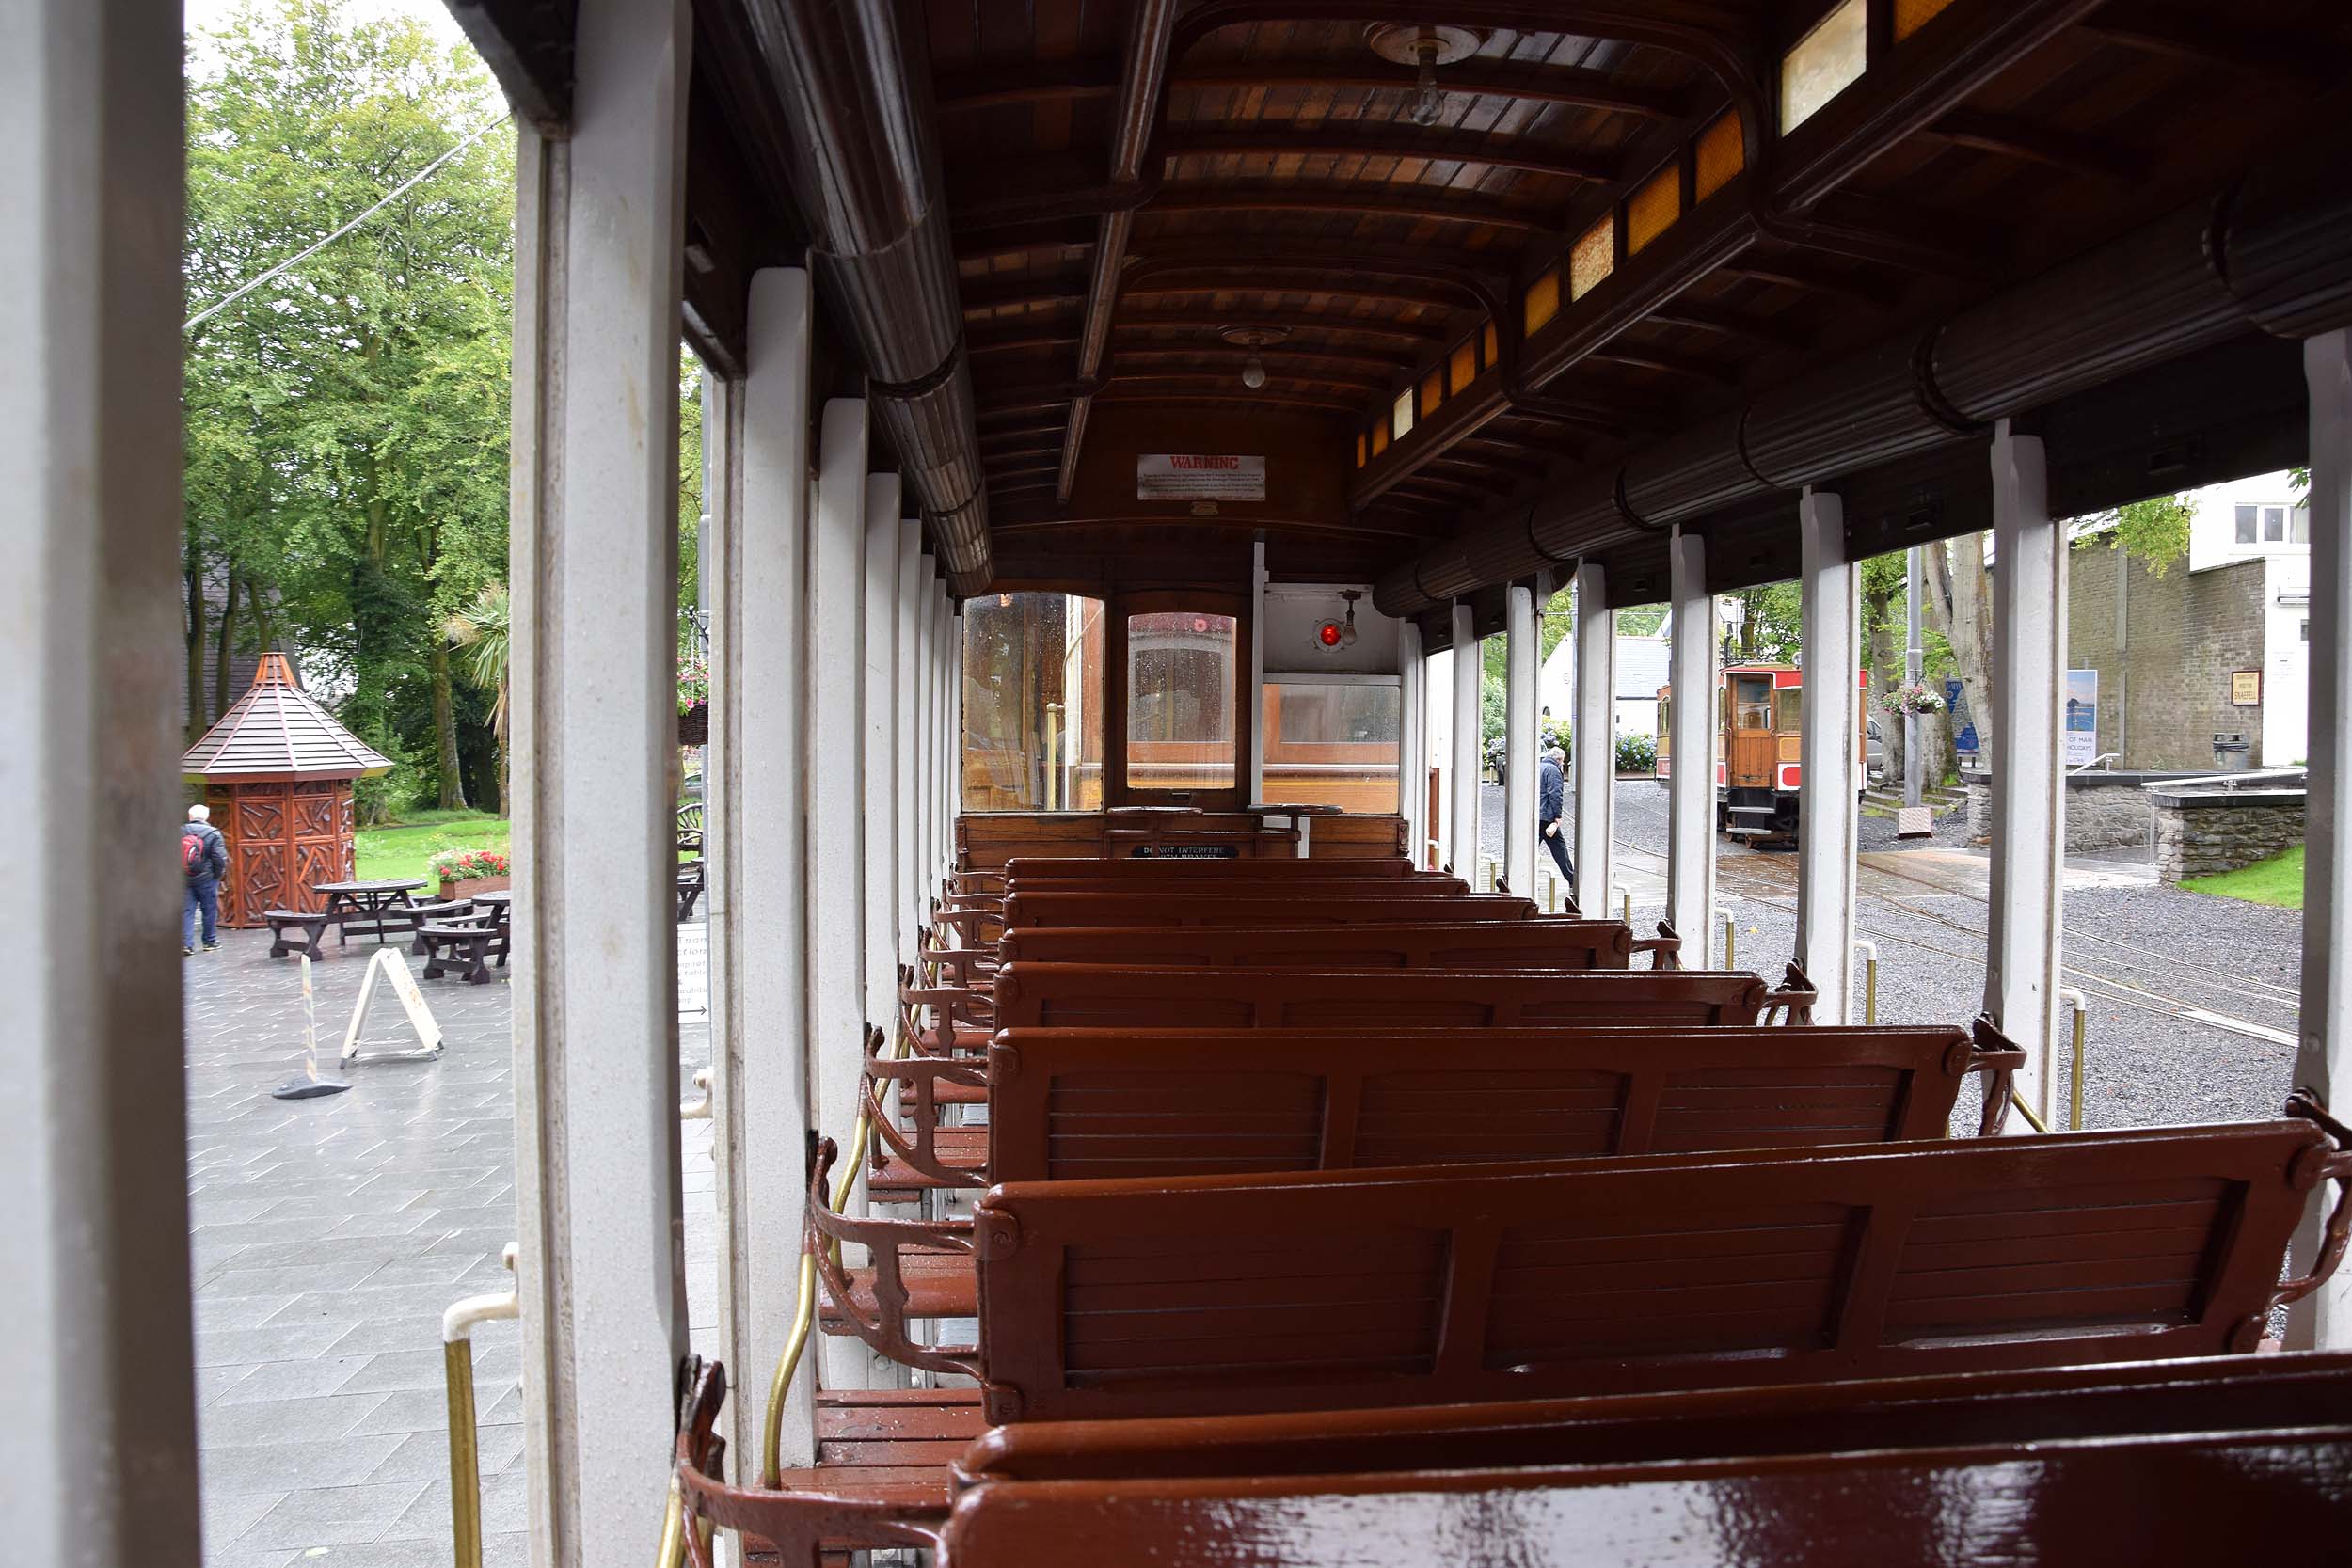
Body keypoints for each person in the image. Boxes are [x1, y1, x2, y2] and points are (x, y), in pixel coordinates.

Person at [183, 803, 228, 955]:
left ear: (190, 816)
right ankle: (209, 942)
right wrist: (217, 875)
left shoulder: (180, 831)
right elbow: (219, 858)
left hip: (185, 878)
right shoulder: (213, 833)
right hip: (207, 879)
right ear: (206, 817)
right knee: (209, 910)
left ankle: (186, 944)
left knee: (187, 910)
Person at [1537, 745, 1573, 892]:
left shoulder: (1539, 767)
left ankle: (1521, 876)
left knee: (1530, 848)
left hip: (1537, 814)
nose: (1563, 763)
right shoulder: (1553, 770)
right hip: (1547, 816)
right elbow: (1555, 794)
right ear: (1558, 759)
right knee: (1559, 849)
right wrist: (1557, 816)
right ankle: (1572, 880)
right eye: (1562, 761)